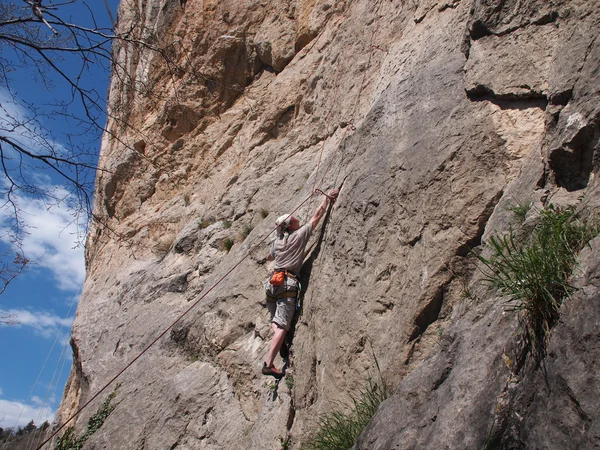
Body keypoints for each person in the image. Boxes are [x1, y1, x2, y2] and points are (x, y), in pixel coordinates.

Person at [262, 189, 339, 378]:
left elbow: (268, 256)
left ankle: (282, 341)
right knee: (282, 326)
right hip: (288, 283)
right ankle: (268, 363)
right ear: (289, 226)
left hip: (272, 284)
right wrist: (326, 198)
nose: (297, 218)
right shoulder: (299, 235)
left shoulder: (277, 242)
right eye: (294, 218)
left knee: (276, 321)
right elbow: (316, 217)